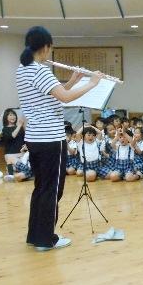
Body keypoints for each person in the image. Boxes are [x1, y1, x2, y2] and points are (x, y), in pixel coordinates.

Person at [16, 26, 101, 252]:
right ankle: (46, 239)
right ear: (45, 47)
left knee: (41, 187)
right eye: (50, 47)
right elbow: (65, 98)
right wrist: (92, 83)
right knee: (52, 190)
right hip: (51, 139)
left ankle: (35, 235)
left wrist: (72, 81)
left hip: (35, 138)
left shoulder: (22, 69)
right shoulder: (40, 71)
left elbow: (52, 97)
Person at [1, 108, 26, 177]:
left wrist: (23, 126)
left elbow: (25, 139)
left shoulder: (20, 127)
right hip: (11, 155)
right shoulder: (5, 129)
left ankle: (14, 169)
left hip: (22, 154)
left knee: (25, 165)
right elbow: (12, 136)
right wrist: (19, 125)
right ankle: (11, 173)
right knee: (11, 161)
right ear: (6, 117)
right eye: (10, 115)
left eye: (14, 115)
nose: (13, 117)